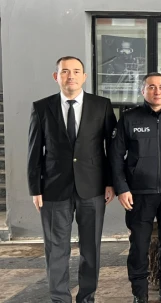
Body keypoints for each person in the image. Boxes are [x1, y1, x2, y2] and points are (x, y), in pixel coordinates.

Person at [27, 56, 117, 303]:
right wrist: (35, 189)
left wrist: (111, 183)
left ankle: (87, 297)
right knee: (56, 249)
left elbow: (112, 149)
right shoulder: (42, 107)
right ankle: (60, 298)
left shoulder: (102, 105)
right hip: (54, 188)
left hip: (93, 187)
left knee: (91, 249)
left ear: (84, 76)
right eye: (65, 71)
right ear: (56, 77)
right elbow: (35, 151)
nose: (71, 76)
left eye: (76, 71)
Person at [109, 73, 161, 303]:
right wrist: (122, 188)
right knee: (139, 246)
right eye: (151, 87)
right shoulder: (129, 118)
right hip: (138, 195)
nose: (157, 91)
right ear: (142, 91)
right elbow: (115, 156)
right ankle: (139, 293)